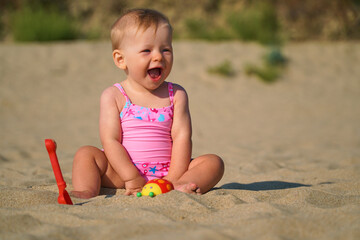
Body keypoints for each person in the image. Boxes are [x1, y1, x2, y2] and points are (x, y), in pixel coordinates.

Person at [71, 8, 224, 199]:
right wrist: (130, 176)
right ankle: (88, 189)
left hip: (168, 171)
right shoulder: (114, 95)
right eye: (146, 50)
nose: (159, 56)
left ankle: (179, 186)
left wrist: (171, 178)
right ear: (121, 59)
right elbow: (110, 141)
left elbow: (182, 138)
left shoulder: (176, 94)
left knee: (213, 163)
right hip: (120, 173)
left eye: (166, 49)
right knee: (86, 154)